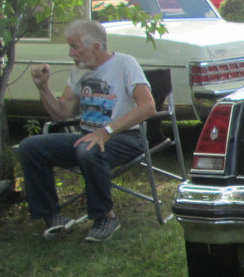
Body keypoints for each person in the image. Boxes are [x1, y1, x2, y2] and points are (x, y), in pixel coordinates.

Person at [18, 19, 156, 242]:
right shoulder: (79, 72)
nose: (71, 53)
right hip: (88, 137)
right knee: (30, 147)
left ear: (96, 47)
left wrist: (106, 131)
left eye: (75, 46)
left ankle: (106, 217)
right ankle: (53, 217)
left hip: (126, 137)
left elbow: (148, 106)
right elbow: (60, 113)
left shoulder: (125, 64)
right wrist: (42, 87)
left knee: (88, 148)